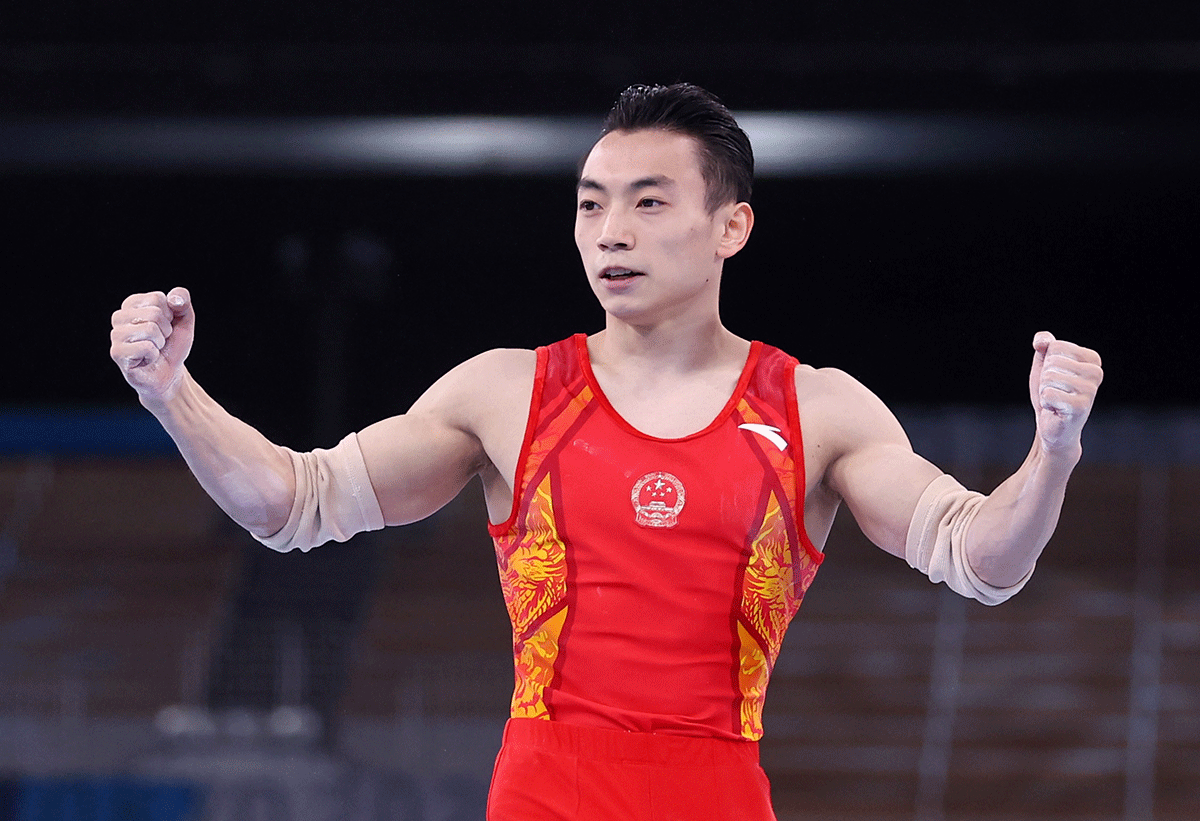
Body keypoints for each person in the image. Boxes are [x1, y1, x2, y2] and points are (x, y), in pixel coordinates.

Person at [109, 84, 1103, 821]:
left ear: (731, 226)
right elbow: (293, 502)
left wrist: (1051, 452)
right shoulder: (506, 393)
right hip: (545, 791)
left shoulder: (817, 409)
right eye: (590, 203)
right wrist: (170, 391)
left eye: (648, 202)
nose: (609, 231)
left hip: (717, 789)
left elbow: (982, 561)